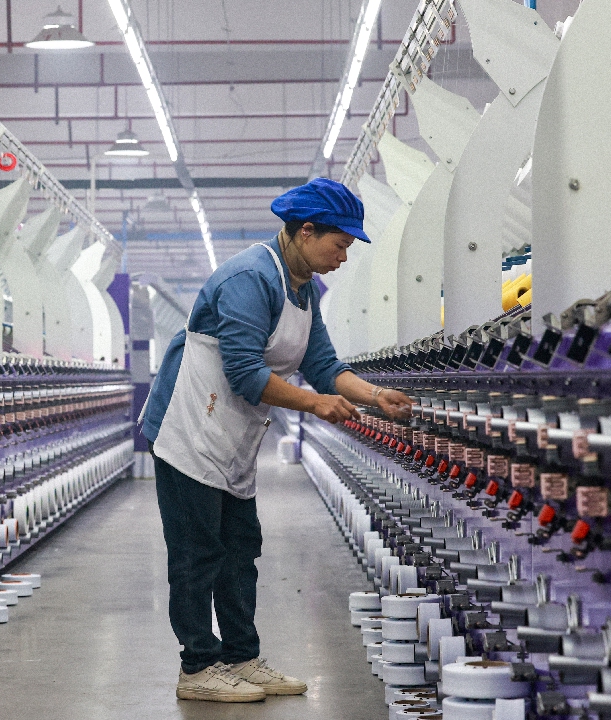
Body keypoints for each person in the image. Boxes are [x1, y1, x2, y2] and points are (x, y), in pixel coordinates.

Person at [140, 177, 413, 702]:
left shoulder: (303, 287)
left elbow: (324, 365)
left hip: (231, 434)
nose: (344, 257)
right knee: (197, 553)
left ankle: (241, 658)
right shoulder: (250, 278)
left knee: (240, 548)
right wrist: (315, 404)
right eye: (340, 245)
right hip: (189, 428)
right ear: (306, 232)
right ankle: (197, 668)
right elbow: (244, 372)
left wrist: (377, 395)